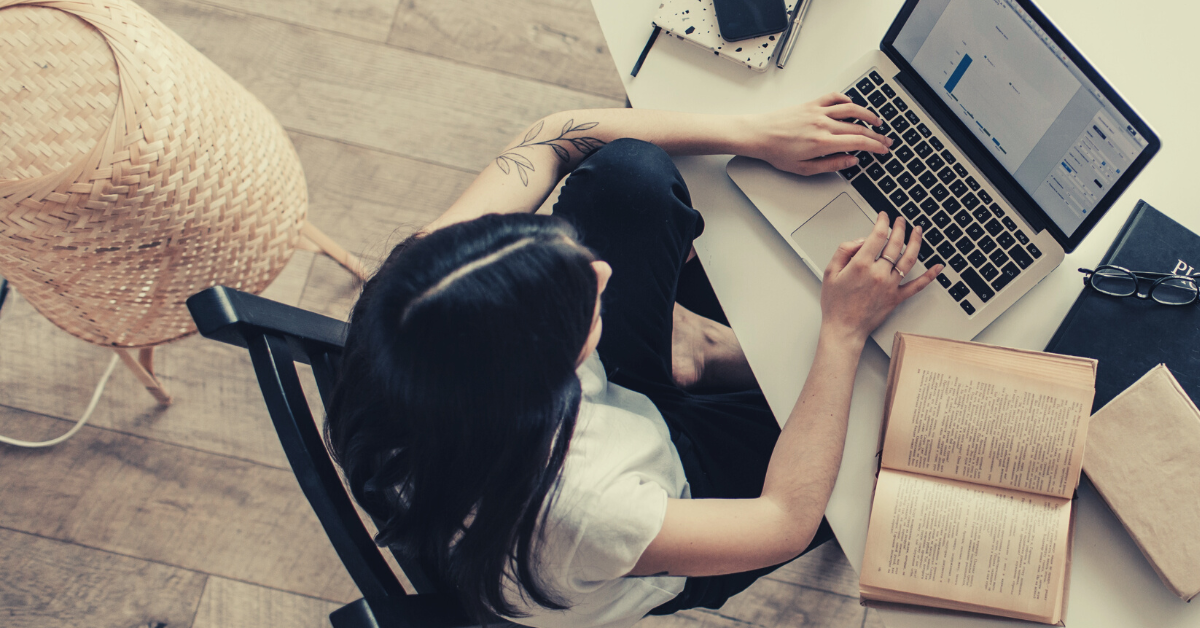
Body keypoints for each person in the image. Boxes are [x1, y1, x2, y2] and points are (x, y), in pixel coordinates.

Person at [324, 94, 943, 628]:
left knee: (628, 174)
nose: (600, 270)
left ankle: (691, 355)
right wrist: (840, 332)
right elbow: (783, 520)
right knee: (896, 430)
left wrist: (754, 132)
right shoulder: (587, 509)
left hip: (585, 426)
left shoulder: (420, 289)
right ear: (549, 380)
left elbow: (551, 139)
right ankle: (700, 356)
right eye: (581, 305)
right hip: (674, 496)